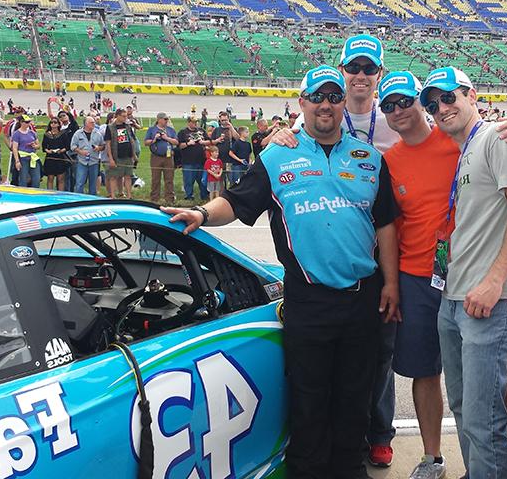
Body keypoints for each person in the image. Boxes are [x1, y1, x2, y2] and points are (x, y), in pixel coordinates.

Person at [162, 65, 399, 479]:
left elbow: (386, 224)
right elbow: (236, 202)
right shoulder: (276, 156)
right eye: (318, 97)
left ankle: (347, 468)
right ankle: (307, 470)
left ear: (344, 103)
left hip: (364, 296)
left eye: (334, 97)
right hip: (308, 299)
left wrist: (392, 284)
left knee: (355, 396)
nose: (326, 105)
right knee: (309, 396)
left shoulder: (370, 158)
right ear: (302, 103)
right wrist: (201, 212)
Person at [378, 71, 507, 479]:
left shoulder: (493, 136)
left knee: (482, 406)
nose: (442, 108)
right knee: (465, 403)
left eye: (448, 98)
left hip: (485, 292)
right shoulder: (463, 142)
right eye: (434, 102)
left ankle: (497, 467)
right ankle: (468, 466)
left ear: (472, 95)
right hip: (445, 287)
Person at [273, 34, 401, 466]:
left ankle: (376, 436)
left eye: (369, 69)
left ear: (378, 75)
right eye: (354, 69)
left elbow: (449, 135)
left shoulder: (396, 114)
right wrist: (278, 134)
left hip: (374, 268)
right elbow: (280, 153)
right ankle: (315, 462)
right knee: (318, 384)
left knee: (370, 369)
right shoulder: (302, 129)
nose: (361, 76)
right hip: (314, 284)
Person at [144, 112, 178, 204]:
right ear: (159, 119)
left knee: (169, 179)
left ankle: (170, 198)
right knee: (155, 179)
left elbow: (176, 142)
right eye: (165, 119)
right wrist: (154, 139)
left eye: (167, 119)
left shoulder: (170, 130)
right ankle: (154, 198)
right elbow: (146, 142)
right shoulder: (152, 130)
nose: (167, 121)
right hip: (156, 157)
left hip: (168, 157)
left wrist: (166, 138)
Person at [105, 108, 137, 199]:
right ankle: (113, 196)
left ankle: (129, 195)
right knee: (113, 176)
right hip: (116, 156)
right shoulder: (110, 127)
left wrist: (134, 155)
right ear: (117, 116)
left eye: (126, 116)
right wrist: (110, 158)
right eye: (123, 116)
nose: (125, 118)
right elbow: (108, 144)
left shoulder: (127, 126)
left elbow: (132, 140)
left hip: (128, 155)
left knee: (128, 175)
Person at [177, 116, 210, 200]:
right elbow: (180, 146)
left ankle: (204, 195)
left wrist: (203, 142)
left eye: (196, 122)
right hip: (188, 161)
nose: (195, 124)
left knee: (202, 180)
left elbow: (209, 141)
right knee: (188, 180)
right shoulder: (183, 132)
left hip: (201, 160)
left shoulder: (201, 131)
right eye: (193, 122)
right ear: (188, 122)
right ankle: (189, 196)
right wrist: (188, 143)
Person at [70, 116, 104, 195]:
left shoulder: (98, 133)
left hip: (94, 162)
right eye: (91, 122)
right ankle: (79, 199)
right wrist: (80, 151)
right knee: (80, 182)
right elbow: (73, 146)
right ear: (86, 124)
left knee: (93, 184)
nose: (93, 124)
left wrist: (98, 148)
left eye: (94, 122)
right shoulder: (78, 134)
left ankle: (91, 200)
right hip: (82, 162)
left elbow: (103, 146)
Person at [11, 114, 41, 188]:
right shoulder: (17, 134)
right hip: (23, 158)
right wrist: (17, 161)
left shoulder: (32, 133)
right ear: (21, 122)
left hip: (32, 157)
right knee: (23, 179)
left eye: (29, 122)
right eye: (26, 122)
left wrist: (35, 146)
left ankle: (35, 193)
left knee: (36, 178)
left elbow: (38, 145)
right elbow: (15, 148)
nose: (28, 124)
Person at [42, 116, 68, 190]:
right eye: (52, 122)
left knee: (61, 178)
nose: (53, 124)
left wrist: (60, 151)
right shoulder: (47, 135)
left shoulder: (63, 134)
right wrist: (48, 151)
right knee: (50, 178)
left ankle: (60, 194)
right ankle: (49, 193)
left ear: (58, 124)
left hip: (60, 158)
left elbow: (67, 146)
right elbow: (44, 147)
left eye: (55, 122)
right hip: (50, 158)